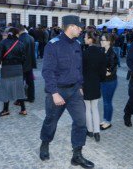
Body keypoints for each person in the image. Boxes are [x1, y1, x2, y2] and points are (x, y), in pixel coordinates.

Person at [39, 16, 94, 168]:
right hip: (58, 91)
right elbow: (47, 71)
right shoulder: (53, 45)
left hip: (75, 90)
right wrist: (54, 92)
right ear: (70, 27)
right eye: (79, 27)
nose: (81, 29)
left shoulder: (77, 44)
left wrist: (81, 86)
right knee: (51, 120)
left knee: (81, 122)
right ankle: (45, 143)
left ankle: (77, 155)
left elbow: (78, 68)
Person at [0, 27, 27, 117]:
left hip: (7, 68)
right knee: (19, 88)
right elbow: (24, 58)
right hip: (18, 68)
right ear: (17, 34)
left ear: (8, 33)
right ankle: (23, 109)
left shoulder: (3, 42)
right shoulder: (20, 43)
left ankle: (5, 110)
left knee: (6, 89)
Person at [83, 31, 106, 142]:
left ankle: (90, 130)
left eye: (86, 37)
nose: (84, 38)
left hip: (86, 84)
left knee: (87, 109)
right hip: (96, 83)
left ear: (90, 39)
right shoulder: (101, 52)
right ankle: (97, 132)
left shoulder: (85, 53)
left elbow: (81, 71)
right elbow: (103, 71)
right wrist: (98, 79)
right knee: (95, 108)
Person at [99, 33, 118, 130]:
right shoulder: (102, 51)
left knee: (107, 102)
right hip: (103, 81)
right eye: (101, 40)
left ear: (109, 42)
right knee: (105, 101)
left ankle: (108, 121)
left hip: (110, 82)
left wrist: (100, 70)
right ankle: (105, 119)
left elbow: (109, 72)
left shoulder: (112, 54)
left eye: (103, 40)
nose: (101, 42)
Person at [18, 24, 36, 103]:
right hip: (30, 63)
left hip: (22, 64)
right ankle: (31, 97)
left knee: (20, 82)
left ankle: (20, 99)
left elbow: (20, 53)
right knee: (30, 82)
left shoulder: (19, 39)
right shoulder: (31, 38)